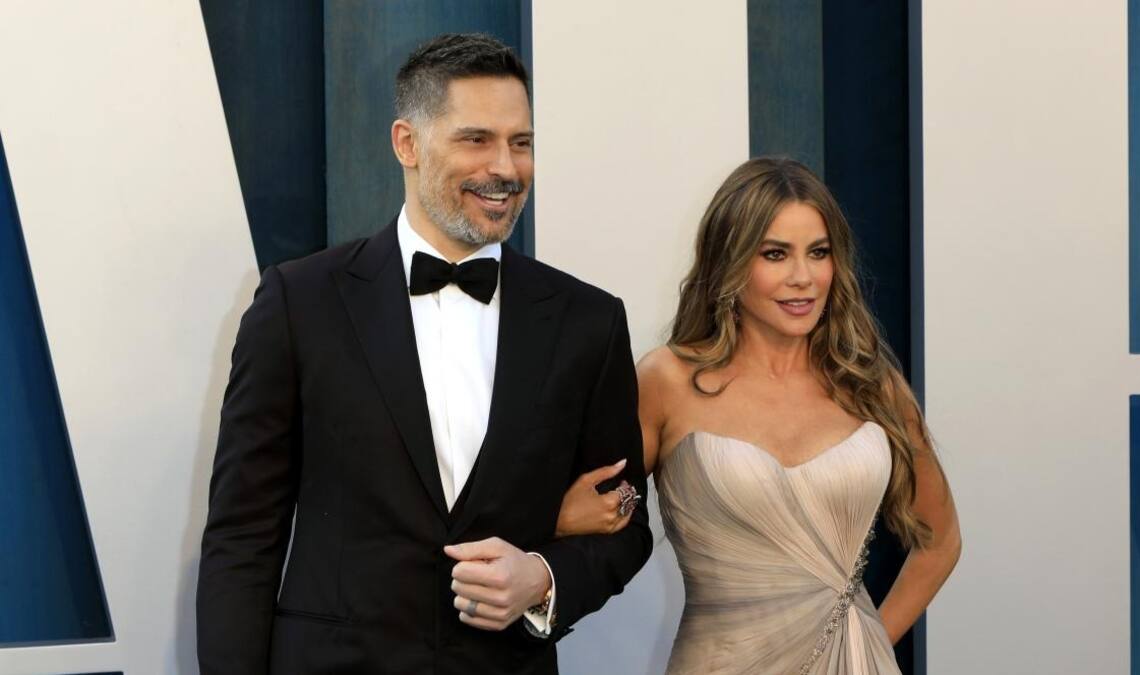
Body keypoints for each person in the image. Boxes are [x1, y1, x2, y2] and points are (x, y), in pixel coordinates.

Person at [196, 33, 651, 674]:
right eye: (476, 139)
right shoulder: (299, 303)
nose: (505, 167)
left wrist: (542, 576)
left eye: (521, 142)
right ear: (407, 143)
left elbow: (626, 521)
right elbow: (243, 535)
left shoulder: (588, 320)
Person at [556, 158, 961, 674]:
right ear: (730, 261)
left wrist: (870, 642)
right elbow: (610, 507)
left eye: (819, 253)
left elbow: (941, 541)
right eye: (775, 254)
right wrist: (561, 519)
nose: (803, 277)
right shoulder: (667, 381)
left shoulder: (870, 384)